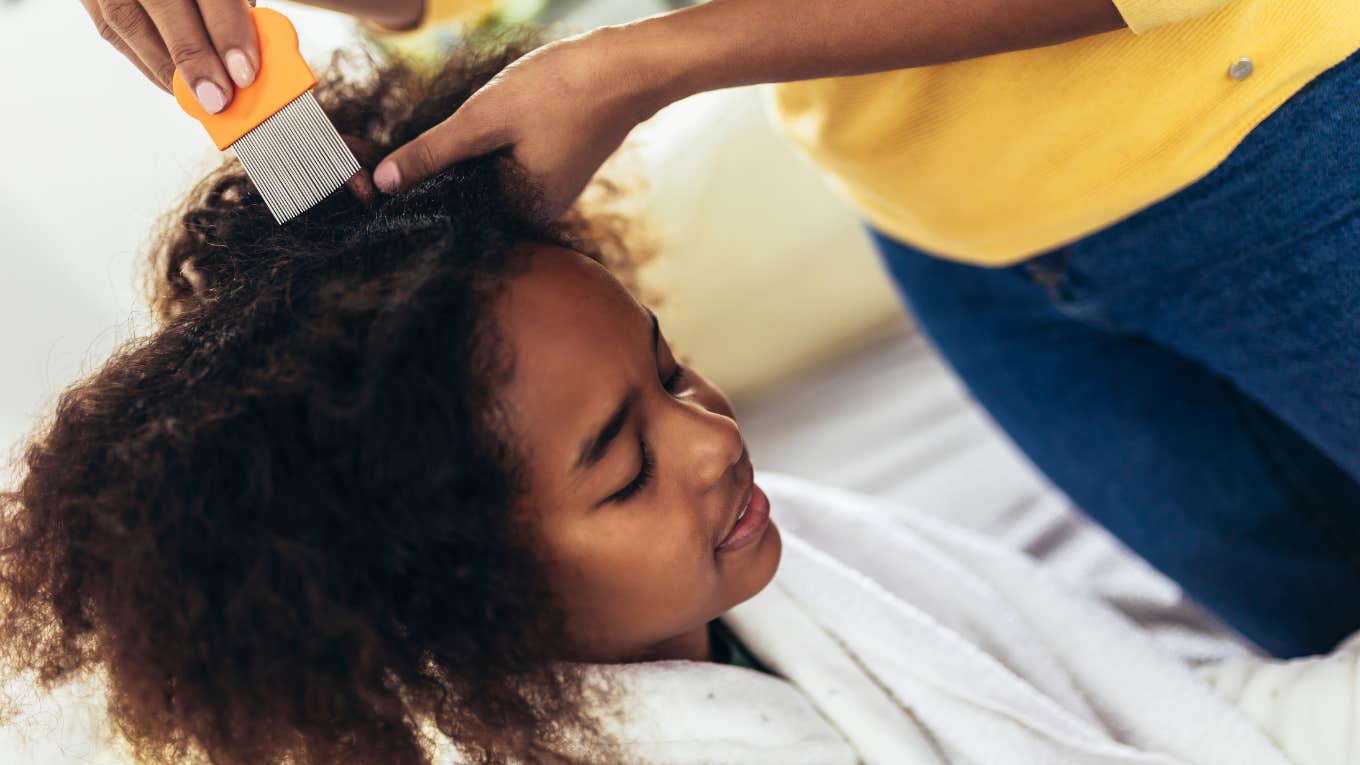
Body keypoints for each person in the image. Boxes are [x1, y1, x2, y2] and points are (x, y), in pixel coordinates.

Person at [7, 33, 1360, 765]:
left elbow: (1197, 725)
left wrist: (648, 62)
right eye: (620, 462)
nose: (714, 440)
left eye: (670, 371)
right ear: (462, 585)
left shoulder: (797, 571)